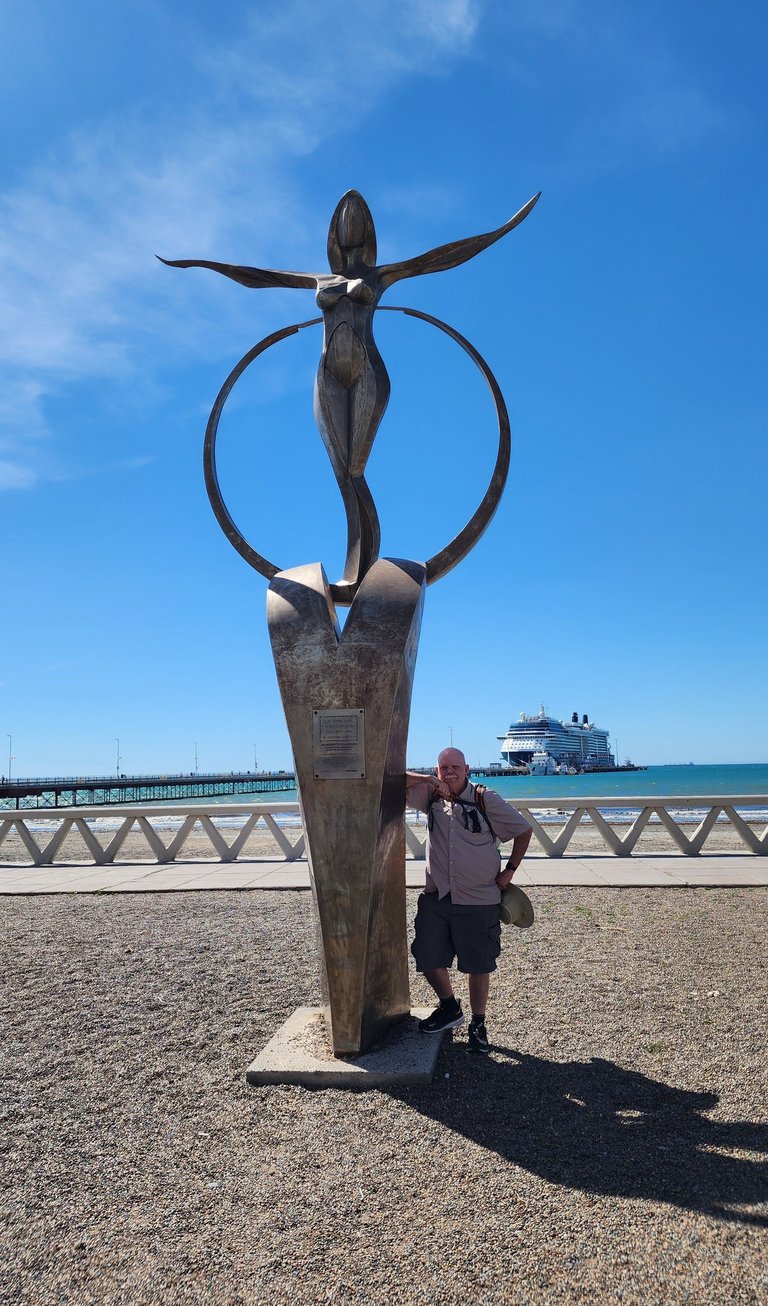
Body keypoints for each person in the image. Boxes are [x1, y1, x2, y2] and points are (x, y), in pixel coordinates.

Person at [405, 747, 533, 1054]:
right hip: (438, 894)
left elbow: (524, 830)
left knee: (478, 964)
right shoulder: (430, 795)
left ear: (467, 769)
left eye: (455, 767)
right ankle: (450, 1008)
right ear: (437, 771)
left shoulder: (485, 799)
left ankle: (478, 1024)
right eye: (443, 767)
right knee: (426, 953)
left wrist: (509, 871)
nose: (449, 772)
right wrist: (426, 779)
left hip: (479, 898)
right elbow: (388, 781)